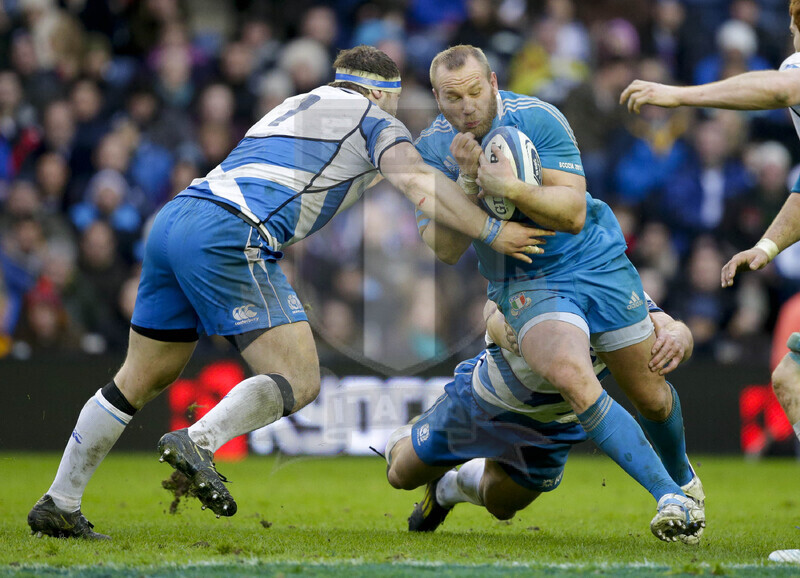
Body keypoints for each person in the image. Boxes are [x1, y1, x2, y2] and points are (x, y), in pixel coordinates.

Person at [26, 45, 548, 540]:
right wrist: (493, 230)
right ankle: (198, 441)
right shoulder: (373, 120)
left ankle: (60, 502)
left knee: (140, 377)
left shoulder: (296, 104)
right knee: (300, 377)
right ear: (382, 94)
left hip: (177, 219)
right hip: (231, 231)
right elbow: (417, 185)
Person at [414, 45, 703, 542]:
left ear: (494, 82)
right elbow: (442, 248)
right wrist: (464, 180)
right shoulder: (430, 149)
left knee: (652, 396)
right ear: (436, 98)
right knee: (574, 374)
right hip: (525, 276)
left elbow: (571, 214)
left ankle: (685, 480)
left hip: (593, 258)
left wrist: (509, 188)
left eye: (474, 92)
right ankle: (669, 497)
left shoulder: (541, 118)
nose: (465, 106)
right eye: (451, 97)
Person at [621, 0, 800, 562]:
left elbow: (774, 90)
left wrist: (677, 95)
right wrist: (767, 245)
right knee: (792, 378)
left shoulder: (792, 75)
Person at [386, 295, 702, 542]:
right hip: (482, 405)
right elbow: (494, 316)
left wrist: (678, 336)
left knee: (502, 507)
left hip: (551, 429)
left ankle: (447, 489)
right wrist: (508, 330)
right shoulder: (530, 276)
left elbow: (671, 326)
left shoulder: (615, 287)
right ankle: (412, 431)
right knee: (401, 475)